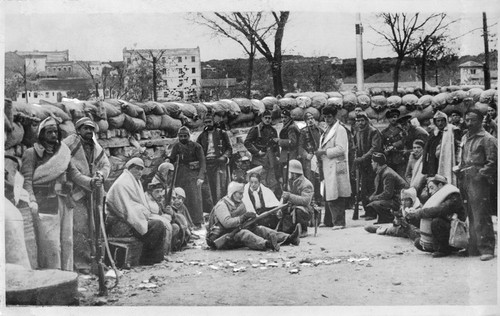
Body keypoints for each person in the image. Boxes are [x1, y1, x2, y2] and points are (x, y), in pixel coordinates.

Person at [21, 117, 95, 271]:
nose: (54, 135)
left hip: (65, 202)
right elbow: (26, 181)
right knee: (51, 244)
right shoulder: (31, 153)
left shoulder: (64, 153)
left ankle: (67, 276)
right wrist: (32, 200)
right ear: (42, 134)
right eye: (49, 132)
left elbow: (74, 174)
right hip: (45, 202)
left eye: (56, 132)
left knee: (67, 242)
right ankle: (53, 278)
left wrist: (91, 182)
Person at [62, 117, 111, 274]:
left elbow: (106, 164)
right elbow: (71, 171)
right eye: (85, 128)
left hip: (95, 192)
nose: (89, 131)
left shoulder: (96, 146)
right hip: (76, 192)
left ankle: (98, 261)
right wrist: (89, 182)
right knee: (80, 226)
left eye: (91, 128)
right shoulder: (69, 144)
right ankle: (82, 264)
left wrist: (101, 176)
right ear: (78, 130)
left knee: (97, 227)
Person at [206, 182, 300, 251]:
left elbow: (242, 222)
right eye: (240, 194)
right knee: (244, 233)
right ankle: (267, 244)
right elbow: (227, 223)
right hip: (223, 237)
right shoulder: (222, 205)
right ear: (232, 193)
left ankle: (289, 238)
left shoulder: (239, 204)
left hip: (234, 232)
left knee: (260, 229)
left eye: (242, 193)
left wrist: (252, 221)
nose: (242, 196)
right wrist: (243, 217)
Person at [106, 158, 166, 265]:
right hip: (119, 223)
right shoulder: (122, 184)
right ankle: (147, 259)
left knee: (159, 224)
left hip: (131, 218)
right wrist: (142, 214)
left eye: (141, 169)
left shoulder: (133, 181)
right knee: (157, 225)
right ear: (129, 169)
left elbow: (137, 205)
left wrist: (142, 213)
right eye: (137, 169)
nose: (140, 172)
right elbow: (125, 209)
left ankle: (157, 258)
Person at [455, 109, 497, 261]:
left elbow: (493, 162)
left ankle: (487, 248)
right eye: (467, 120)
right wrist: (459, 169)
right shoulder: (466, 137)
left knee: (481, 214)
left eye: (473, 120)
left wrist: (480, 175)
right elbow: (463, 158)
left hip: (479, 182)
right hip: (465, 180)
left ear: (480, 121)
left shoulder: (487, 139)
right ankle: (473, 247)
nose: (469, 123)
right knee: (469, 214)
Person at [407, 175, 466, 258]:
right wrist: (412, 216)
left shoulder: (454, 196)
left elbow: (440, 210)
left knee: (437, 222)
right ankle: (440, 247)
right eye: (429, 189)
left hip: (457, 232)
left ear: (440, 186)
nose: (430, 191)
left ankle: (444, 249)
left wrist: (419, 213)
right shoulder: (439, 197)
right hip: (446, 231)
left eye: (432, 187)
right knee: (418, 242)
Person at [315, 106, 352, 230]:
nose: (326, 119)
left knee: (337, 193)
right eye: (325, 117)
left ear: (334, 116)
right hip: (327, 165)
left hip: (336, 164)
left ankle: (339, 222)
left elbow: (341, 149)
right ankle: (329, 220)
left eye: (329, 117)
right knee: (327, 192)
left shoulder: (340, 129)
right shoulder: (327, 129)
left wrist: (324, 152)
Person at [169, 126, 206, 230]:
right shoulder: (176, 146)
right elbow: (172, 158)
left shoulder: (196, 146)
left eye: (185, 136)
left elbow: (203, 162)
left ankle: (197, 222)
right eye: (181, 136)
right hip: (181, 175)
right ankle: (185, 222)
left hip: (193, 175)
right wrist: (168, 160)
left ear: (189, 136)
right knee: (182, 197)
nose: (183, 138)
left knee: (195, 199)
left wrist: (200, 177)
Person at [196, 113, 232, 214]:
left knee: (220, 188)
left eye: (209, 122)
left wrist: (224, 157)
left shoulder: (222, 133)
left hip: (218, 163)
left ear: (213, 122)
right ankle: (212, 211)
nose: (208, 124)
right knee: (209, 189)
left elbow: (229, 148)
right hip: (207, 163)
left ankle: (223, 210)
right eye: (206, 122)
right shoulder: (202, 136)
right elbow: (198, 150)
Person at [364, 152, 408, 224]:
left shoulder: (387, 174)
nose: (371, 164)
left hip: (400, 199)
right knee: (373, 202)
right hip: (396, 197)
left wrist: (373, 198)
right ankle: (382, 219)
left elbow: (388, 194)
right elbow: (379, 190)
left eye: (372, 162)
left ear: (377, 164)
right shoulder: (383, 172)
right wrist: (372, 197)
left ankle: (389, 219)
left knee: (375, 204)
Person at [353, 112, 382, 219]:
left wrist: (363, 157)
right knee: (363, 188)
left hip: (372, 164)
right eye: (358, 121)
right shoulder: (358, 131)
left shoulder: (373, 131)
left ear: (366, 120)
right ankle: (367, 210)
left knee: (372, 188)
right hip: (362, 164)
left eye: (362, 120)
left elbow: (375, 148)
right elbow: (356, 145)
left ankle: (373, 212)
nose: (360, 123)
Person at [244, 110, 280, 194]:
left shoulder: (273, 130)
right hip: (259, 160)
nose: (267, 120)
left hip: (270, 159)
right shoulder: (256, 129)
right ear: (262, 118)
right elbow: (247, 142)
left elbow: (276, 144)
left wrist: (277, 155)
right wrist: (257, 152)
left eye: (269, 118)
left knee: (271, 182)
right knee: (259, 182)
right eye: (266, 118)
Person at [421, 111, 461, 185]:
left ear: (446, 120)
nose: (440, 123)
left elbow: (458, 146)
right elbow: (427, 149)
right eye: (438, 121)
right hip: (435, 162)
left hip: (449, 160)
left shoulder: (453, 130)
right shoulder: (434, 134)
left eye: (442, 120)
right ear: (435, 122)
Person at [279, 159, 313, 237]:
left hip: (305, 209)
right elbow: (284, 195)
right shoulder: (289, 182)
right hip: (291, 207)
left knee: (299, 211)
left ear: (294, 173)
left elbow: (306, 201)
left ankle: (304, 230)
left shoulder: (306, 184)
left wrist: (290, 196)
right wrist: (280, 207)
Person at [298, 112, 323, 204]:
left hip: (319, 157)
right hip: (310, 158)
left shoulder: (320, 130)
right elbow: (300, 146)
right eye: (308, 119)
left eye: (312, 118)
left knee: (319, 178)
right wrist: (306, 155)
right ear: (305, 121)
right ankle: (311, 200)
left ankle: (319, 198)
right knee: (310, 179)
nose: (311, 120)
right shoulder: (303, 131)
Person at [276, 109, 300, 188]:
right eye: (282, 117)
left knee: (287, 175)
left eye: (285, 117)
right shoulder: (288, 125)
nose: (283, 119)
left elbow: (292, 142)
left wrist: (280, 141)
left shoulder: (291, 127)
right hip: (287, 154)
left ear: (289, 117)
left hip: (289, 154)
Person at [381, 109, 406, 177]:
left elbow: (405, 140)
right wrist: (385, 150)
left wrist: (394, 145)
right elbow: (382, 144)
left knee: (400, 177)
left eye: (395, 117)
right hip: (389, 158)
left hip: (399, 157)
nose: (394, 119)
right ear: (388, 119)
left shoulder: (402, 130)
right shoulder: (384, 132)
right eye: (391, 117)